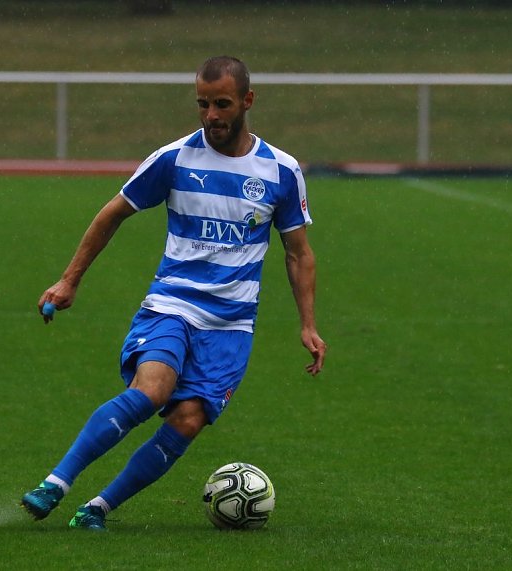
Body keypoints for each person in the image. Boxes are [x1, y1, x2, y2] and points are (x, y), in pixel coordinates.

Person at [20, 56, 326, 530]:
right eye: (203, 104)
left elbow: (298, 253)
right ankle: (56, 482)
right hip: (172, 305)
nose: (211, 116)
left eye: (222, 104)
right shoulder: (174, 158)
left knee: (186, 419)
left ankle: (97, 509)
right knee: (151, 390)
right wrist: (69, 280)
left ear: (247, 101)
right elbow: (112, 213)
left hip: (230, 326)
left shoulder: (281, 170)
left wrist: (308, 324)